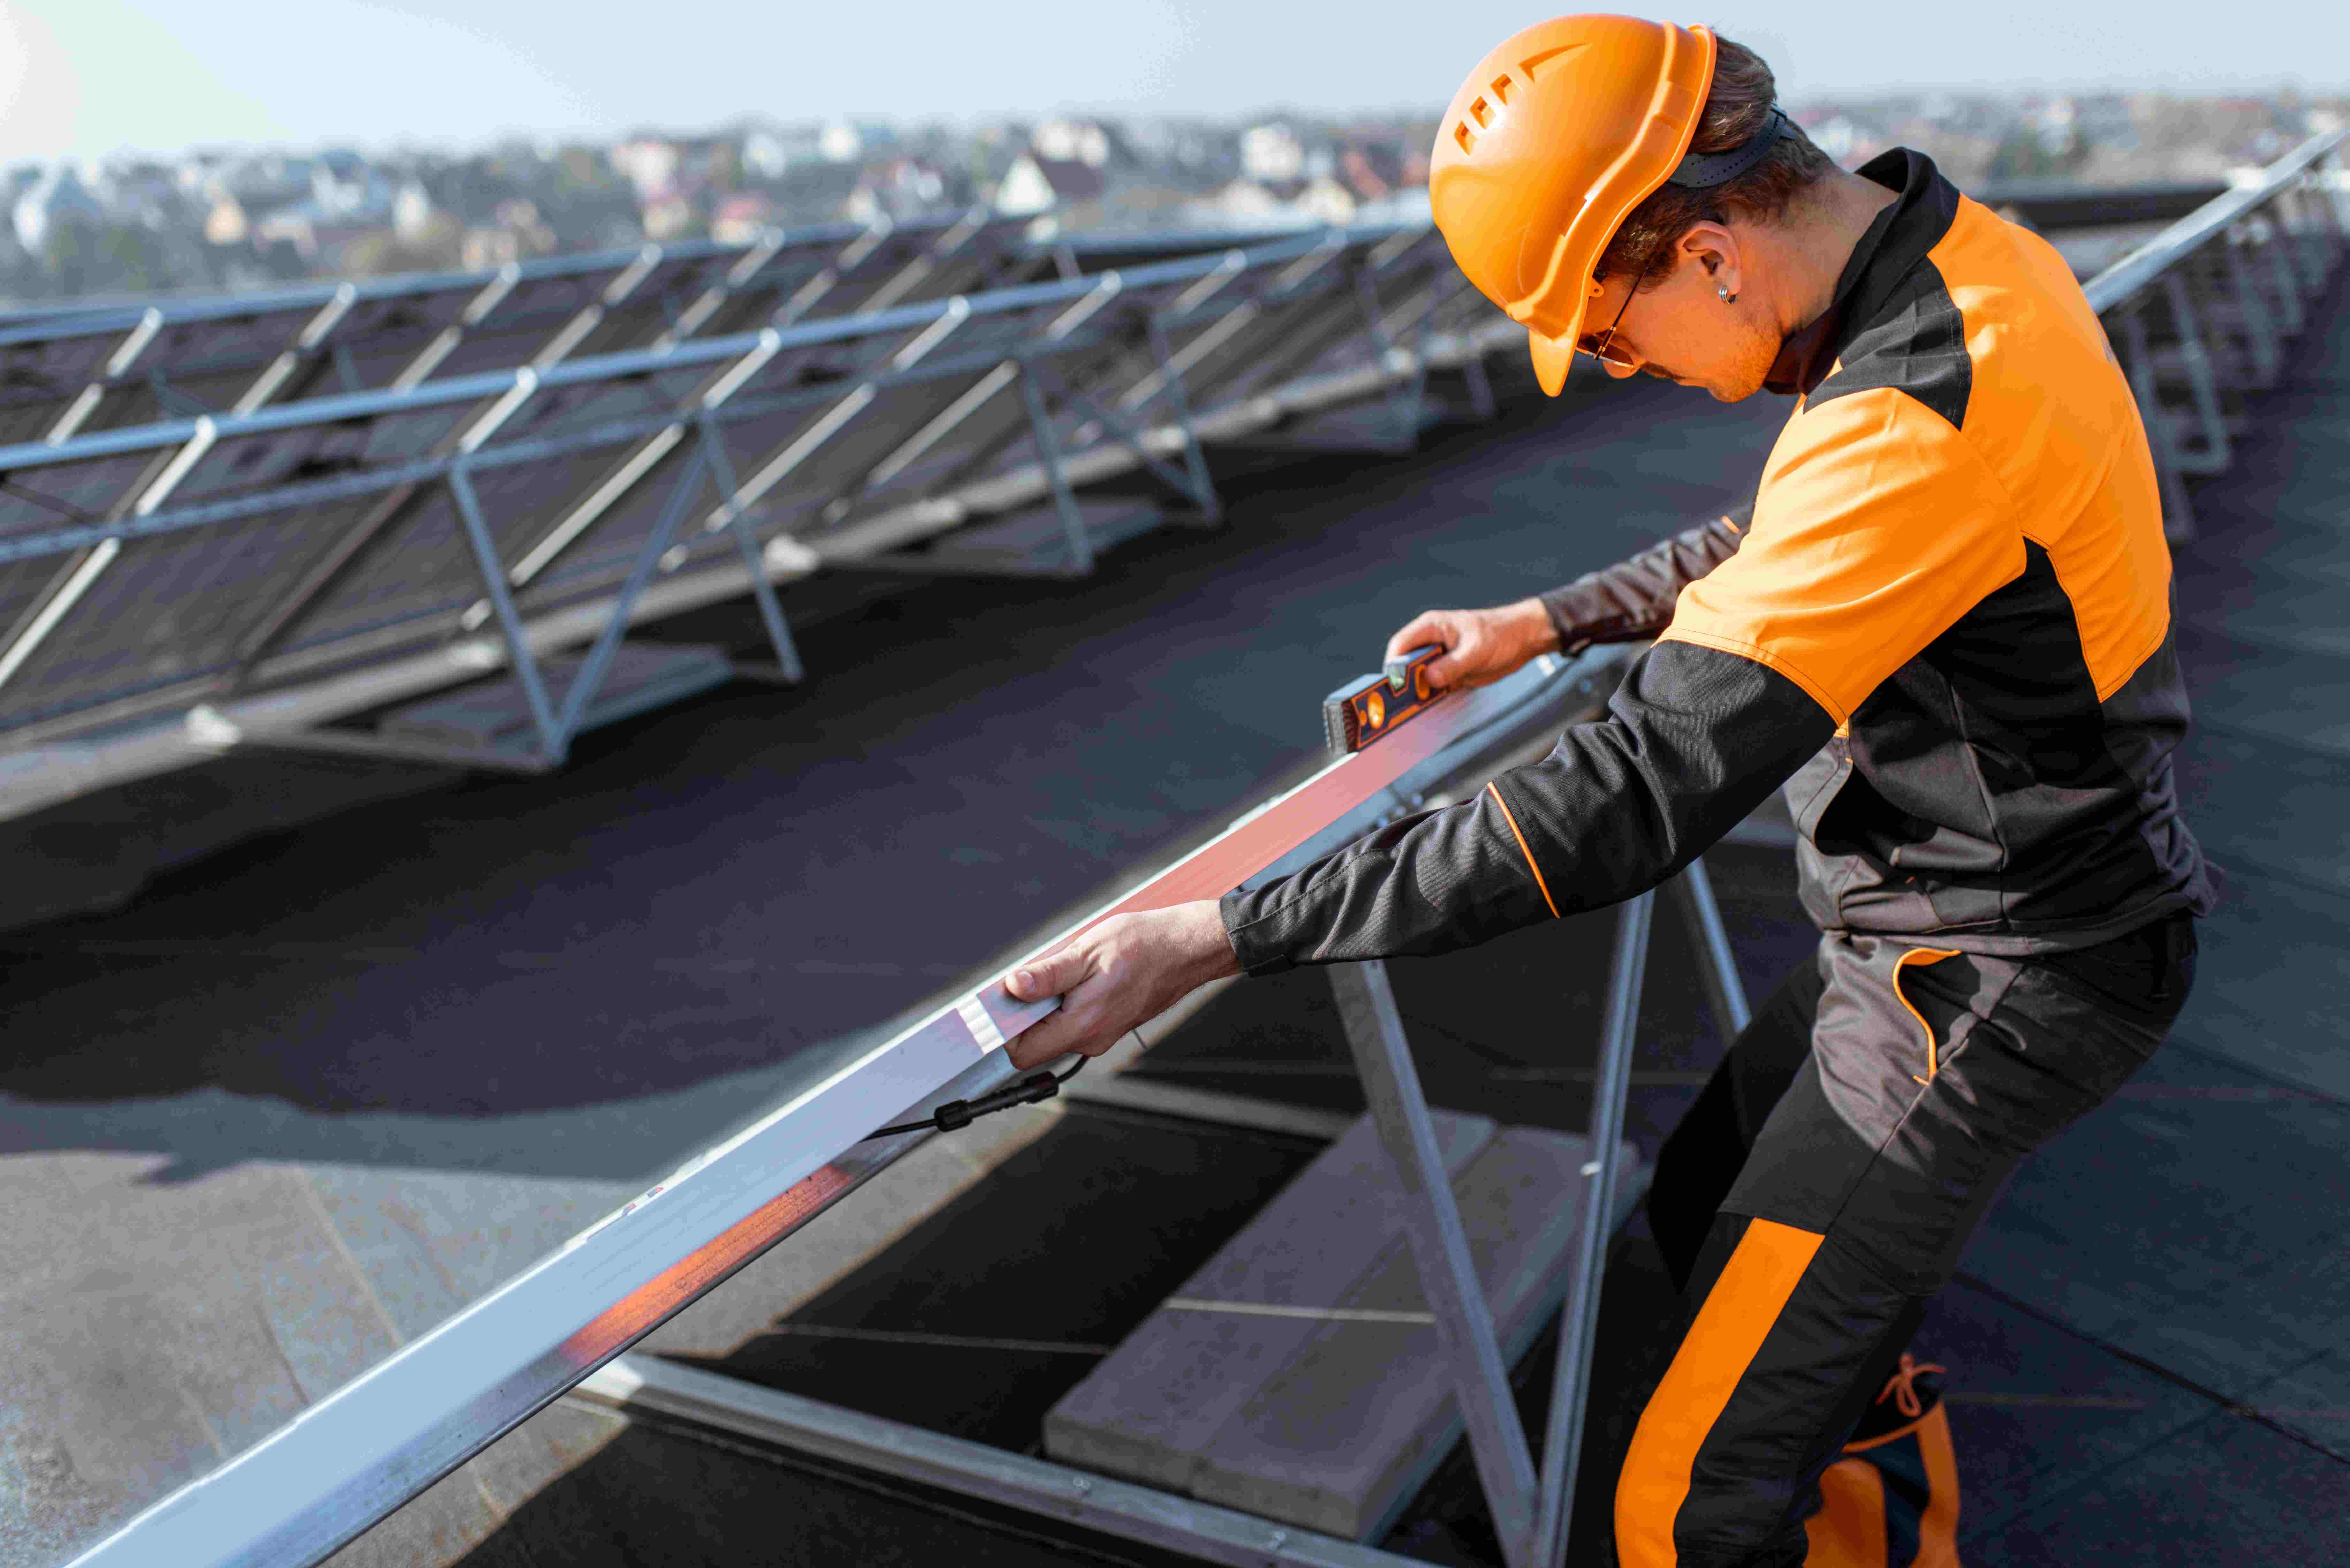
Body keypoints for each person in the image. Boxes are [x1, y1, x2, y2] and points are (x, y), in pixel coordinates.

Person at [1005, 15, 2212, 1566]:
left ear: (1709, 255)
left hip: (1998, 974)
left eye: (1615, 336)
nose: (1627, 371)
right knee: (1710, 1195)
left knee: (1680, 1508)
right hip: (1961, 925)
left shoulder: (1911, 419)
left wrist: (1213, 936)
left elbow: (1625, 793)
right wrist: (1549, 620)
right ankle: (1870, 1506)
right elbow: (1799, 544)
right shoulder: (1962, 268)